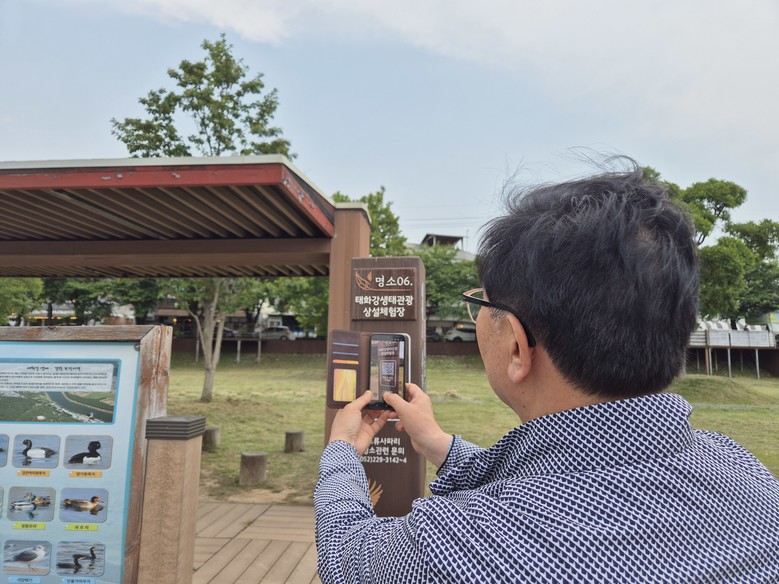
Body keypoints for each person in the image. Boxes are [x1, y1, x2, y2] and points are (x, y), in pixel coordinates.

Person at [314, 162, 779, 583]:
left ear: (518, 347)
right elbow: (563, 471)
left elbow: (346, 555)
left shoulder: (460, 547)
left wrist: (342, 451)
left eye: (481, 304)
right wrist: (439, 444)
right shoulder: (746, 473)